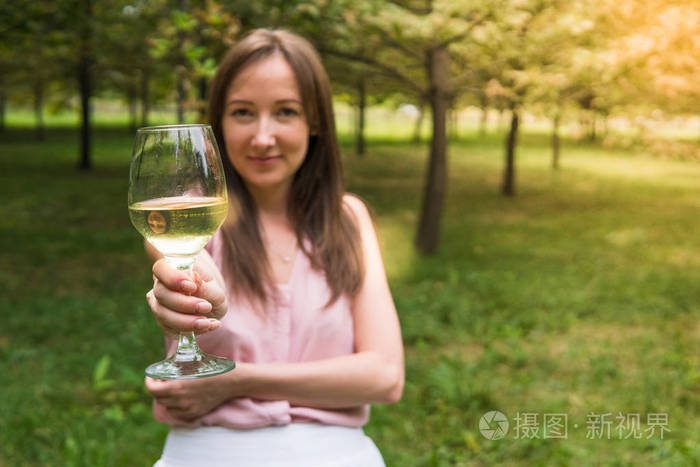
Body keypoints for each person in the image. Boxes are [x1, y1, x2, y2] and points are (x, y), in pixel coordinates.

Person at [143, 29, 404, 467]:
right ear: (219, 122)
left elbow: (384, 376)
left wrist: (234, 381)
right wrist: (198, 297)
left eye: (285, 112)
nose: (263, 138)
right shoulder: (185, 214)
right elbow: (190, 275)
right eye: (243, 113)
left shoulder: (348, 220)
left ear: (314, 122)